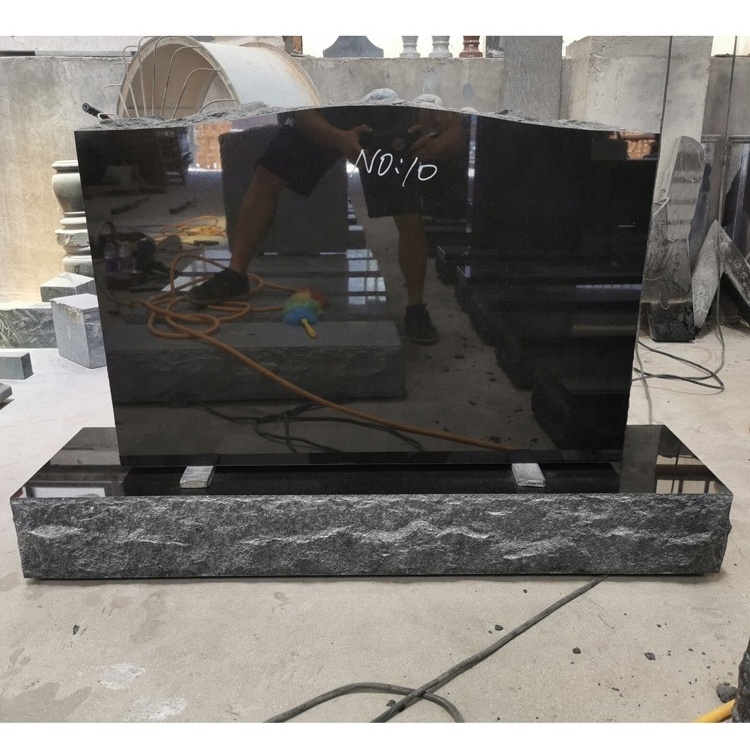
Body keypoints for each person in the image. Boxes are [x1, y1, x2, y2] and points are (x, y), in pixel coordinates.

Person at [186, 91, 465, 345]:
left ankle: (416, 307)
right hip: (326, 118)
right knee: (267, 175)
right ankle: (236, 274)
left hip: (388, 123)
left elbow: (455, 130)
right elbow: (303, 117)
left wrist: (436, 146)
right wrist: (339, 139)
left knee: (408, 212)